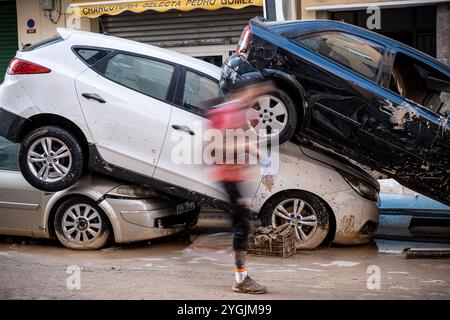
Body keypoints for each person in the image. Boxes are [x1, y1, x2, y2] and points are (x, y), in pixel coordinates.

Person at [207, 81, 273, 294]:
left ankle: (240, 276)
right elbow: (216, 146)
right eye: (258, 90)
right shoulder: (231, 111)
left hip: (234, 176)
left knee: (242, 225)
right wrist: (247, 147)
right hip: (228, 177)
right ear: (245, 90)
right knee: (241, 227)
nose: (259, 96)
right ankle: (241, 280)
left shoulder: (241, 112)